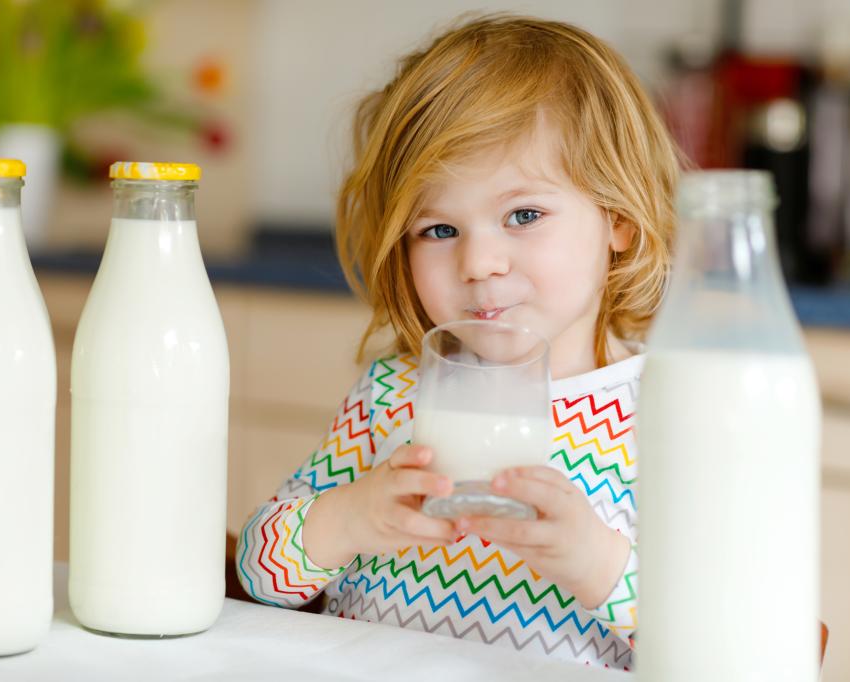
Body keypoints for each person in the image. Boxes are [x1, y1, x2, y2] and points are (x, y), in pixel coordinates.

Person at [236, 13, 679, 669]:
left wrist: (600, 565)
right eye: (439, 230)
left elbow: (724, 646)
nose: (479, 262)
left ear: (617, 220)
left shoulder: (664, 417)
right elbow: (257, 572)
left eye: (523, 215)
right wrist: (349, 519)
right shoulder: (391, 396)